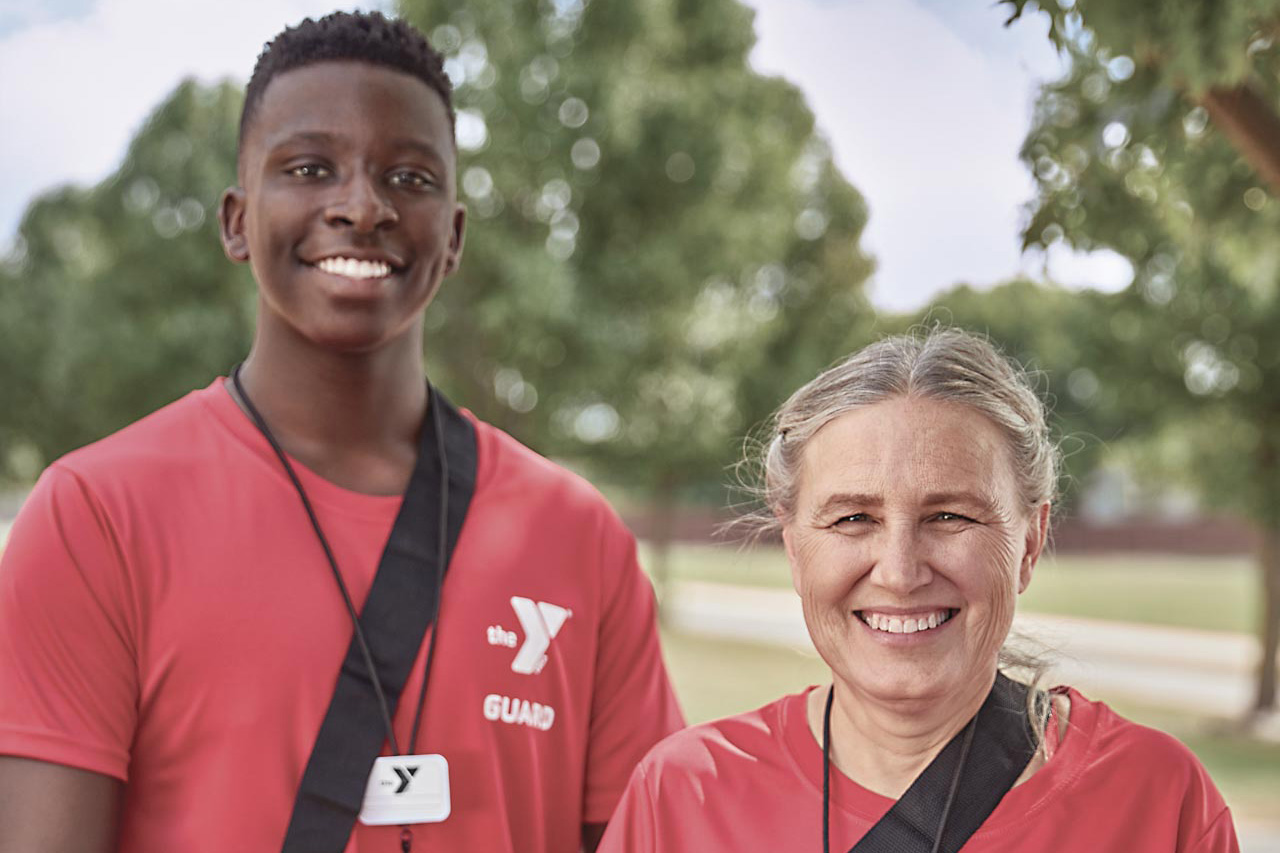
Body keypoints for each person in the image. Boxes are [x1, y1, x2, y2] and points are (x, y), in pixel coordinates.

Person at [0, 11, 683, 853]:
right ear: (235, 221)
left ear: (456, 236)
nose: (362, 206)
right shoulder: (95, 515)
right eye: (310, 167)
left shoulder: (580, 539)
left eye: (410, 176)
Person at [599, 329, 1239, 853]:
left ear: (1030, 543)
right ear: (795, 548)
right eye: (854, 519)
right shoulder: (686, 799)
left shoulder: (1156, 803)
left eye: (949, 516)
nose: (900, 572)